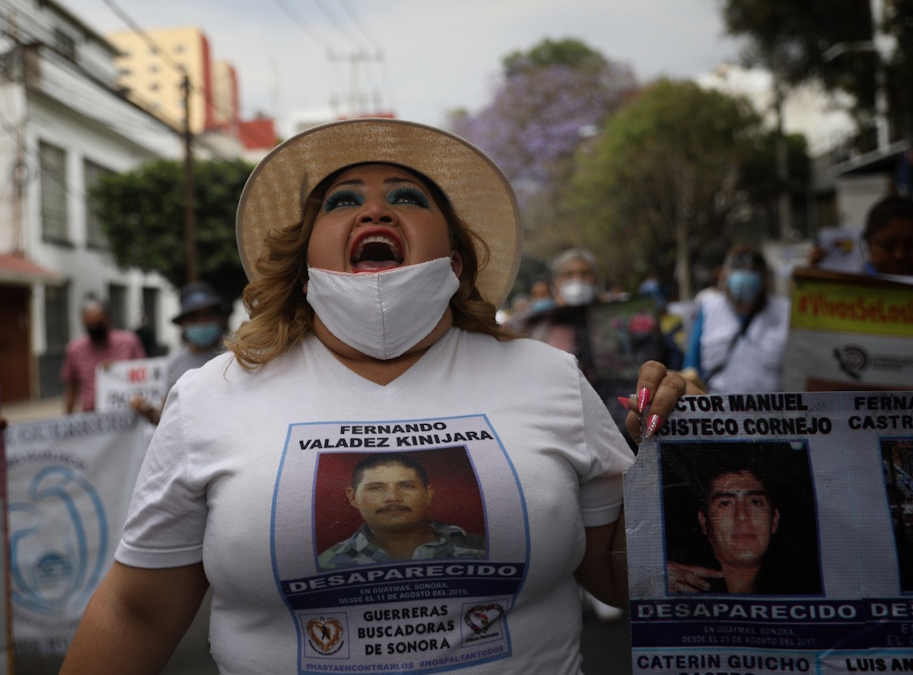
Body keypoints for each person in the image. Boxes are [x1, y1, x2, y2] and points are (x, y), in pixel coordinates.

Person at [60, 118, 694, 674]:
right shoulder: (209, 396)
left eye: (406, 197)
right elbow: (137, 613)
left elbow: (622, 580)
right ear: (303, 256)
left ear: (454, 252)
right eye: (342, 201)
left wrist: (685, 458)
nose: (374, 212)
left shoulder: (551, 376)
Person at [666, 457, 808, 595]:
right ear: (704, 521)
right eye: (725, 503)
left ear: (774, 520)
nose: (742, 516)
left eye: (755, 502)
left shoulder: (799, 590)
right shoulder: (672, 584)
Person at [317, 453, 485, 569]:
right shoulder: (325, 563)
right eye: (376, 488)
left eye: (406, 486)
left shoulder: (482, 549)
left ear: (428, 495)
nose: (392, 497)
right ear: (353, 497)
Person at [682, 246, 789, 394]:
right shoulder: (708, 309)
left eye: (752, 270)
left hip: (775, 413)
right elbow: (691, 371)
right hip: (718, 413)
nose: (745, 275)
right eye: (739, 269)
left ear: (765, 277)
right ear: (725, 274)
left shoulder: (785, 312)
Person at [130, 281, 230, 425]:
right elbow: (166, 419)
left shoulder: (236, 354)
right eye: (194, 319)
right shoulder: (174, 362)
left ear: (220, 319)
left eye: (207, 316)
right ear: (183, 324)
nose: (201, 323)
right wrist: (148, 412)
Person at [61, 297, 146, 413]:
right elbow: (71, 388)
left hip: (127, 414)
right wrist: (68, 421)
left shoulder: (129, 343)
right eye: (90, 325)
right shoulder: (75, 350)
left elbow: (145, 376)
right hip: (92, 417)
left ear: (108, 319)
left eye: (98, 324)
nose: (95, 328)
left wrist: (118, 371)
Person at [862, 196, 913, 276]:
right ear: (868, 245)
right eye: (887, 245)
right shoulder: (848, 285)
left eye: (911, 245)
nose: (899, 255)